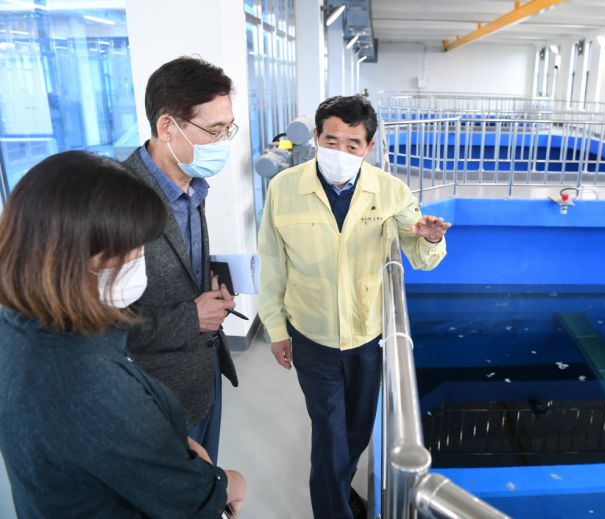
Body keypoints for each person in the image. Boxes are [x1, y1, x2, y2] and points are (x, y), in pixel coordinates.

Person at [0, 151, 246, 518]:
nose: (138, 260)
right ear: (72, 255)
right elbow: (188, 498)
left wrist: (161, 441)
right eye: (130, 249)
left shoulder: (19, 323)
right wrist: (229, 483)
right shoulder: (89, 381)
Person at [258, 95, 451, 519]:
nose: (340, 152)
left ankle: (339, 492)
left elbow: (420, 258)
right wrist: (276, 329)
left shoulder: (391, 191)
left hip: (368, 335)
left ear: (369, 146)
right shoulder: (284, 188)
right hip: (312, 334)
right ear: (315, 137)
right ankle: (334, 510)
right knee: (329, 434)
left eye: (352, 144)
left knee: (357, 431)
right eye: (331, 141)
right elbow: (272, 262)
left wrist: (431, 237)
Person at [123, 57, 239, 464]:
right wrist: (192, 317)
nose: (223, 143)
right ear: (167, 126)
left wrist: (211, 293)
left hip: (203, 377)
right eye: (213, 131)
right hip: (154, 394)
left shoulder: (192, 185)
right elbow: (98, 328)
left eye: (228, 130)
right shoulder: (115, 202)